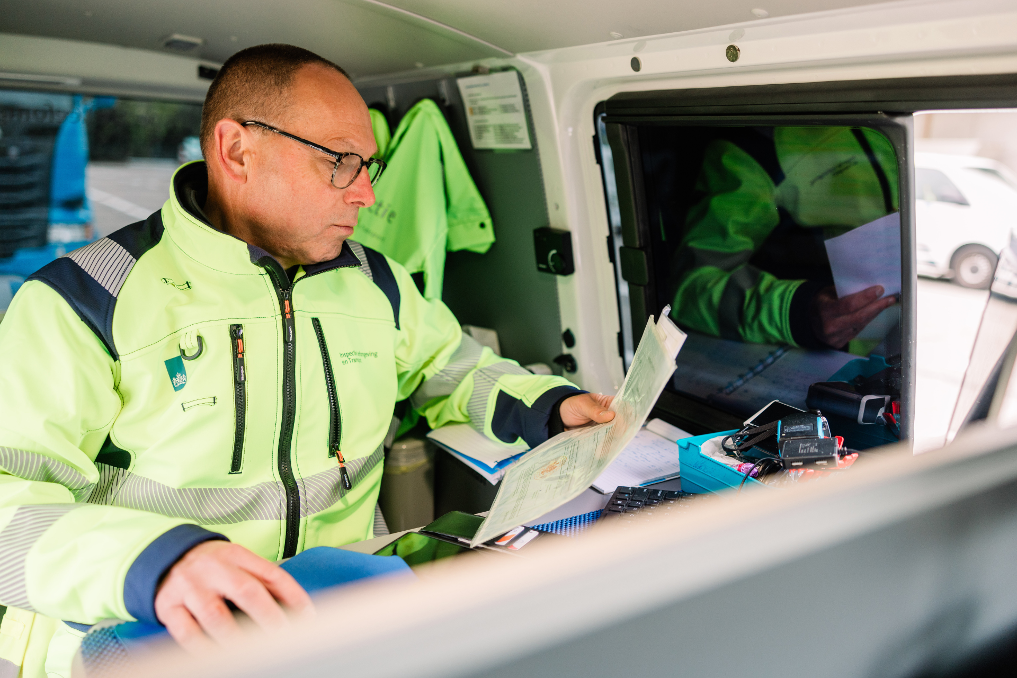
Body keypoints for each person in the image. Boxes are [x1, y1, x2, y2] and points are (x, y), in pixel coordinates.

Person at [0, 44, 614, 675]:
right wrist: (154, 563)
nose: (367, 195)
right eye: (341, 163)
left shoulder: (376, 281)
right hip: (142, 641)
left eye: (368, 166)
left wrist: (549, 405)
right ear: (238, 150)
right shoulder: (82, 299)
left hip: (338, 624)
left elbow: (450, 366)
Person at [670, 126, 901, 351]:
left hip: (897, 334)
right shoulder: (754, 148)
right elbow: (692, 286)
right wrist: (798, 312)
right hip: (819, 356)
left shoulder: (890, 120)